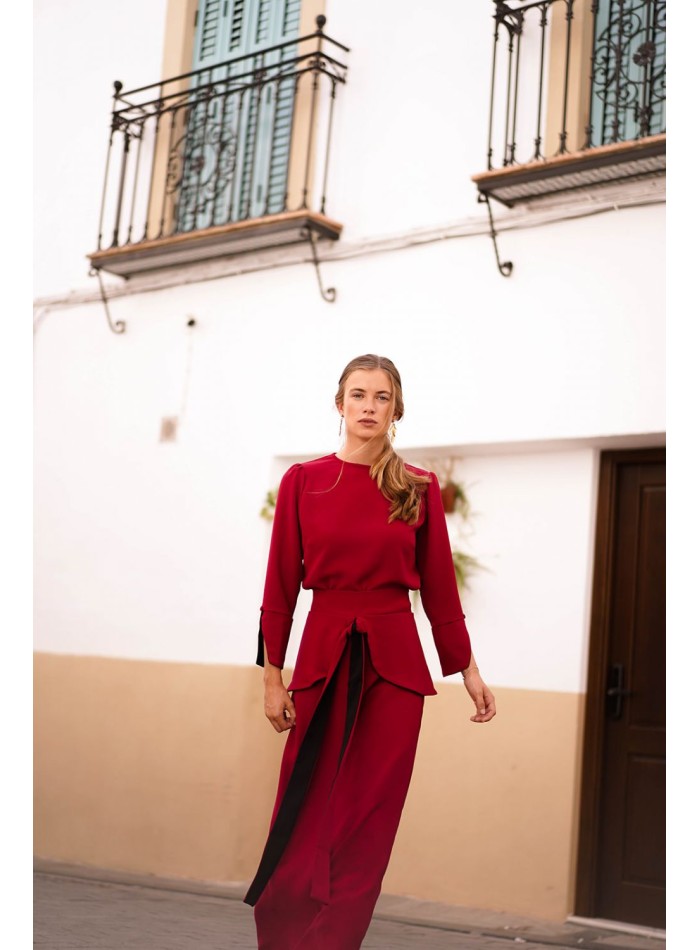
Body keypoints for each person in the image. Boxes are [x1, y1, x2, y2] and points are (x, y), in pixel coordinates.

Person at [244, 354, 496, 949]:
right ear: (340, 404)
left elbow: (439, 586)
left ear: (395, 410)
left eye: (381, 398)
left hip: (396, 669)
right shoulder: (303, 482)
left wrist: (469, 669)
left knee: (368, 825)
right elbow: (279, 584)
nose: (368, 407)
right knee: (302, 814)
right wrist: (271, 678)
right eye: (358, 395)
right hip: (321, 659)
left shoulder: (418, 488)